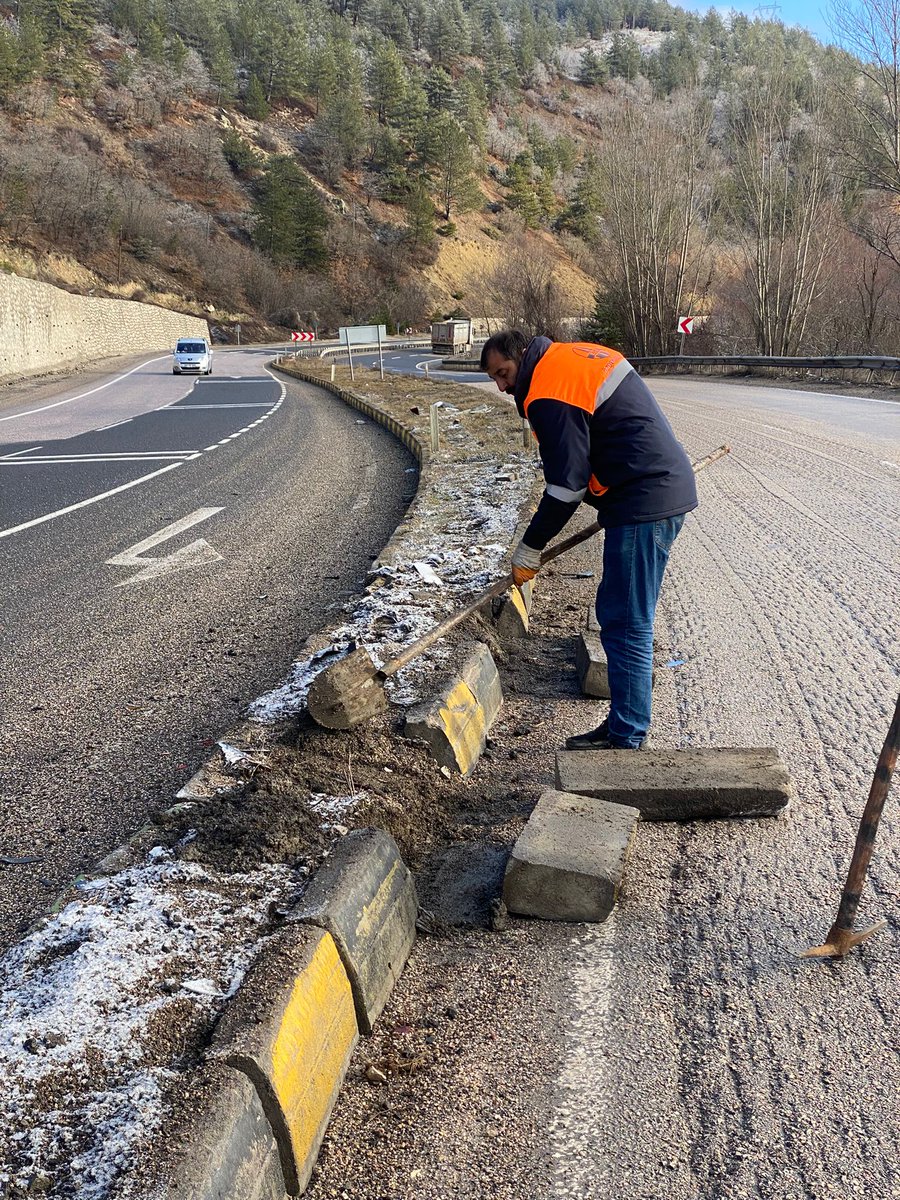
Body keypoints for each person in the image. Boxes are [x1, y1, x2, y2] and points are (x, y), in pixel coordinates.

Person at [480, 330, 698, 750]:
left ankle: (626, 735)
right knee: (619, 615)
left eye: (503, 373)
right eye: (495, 379)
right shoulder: (570, 358)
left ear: (521, 356)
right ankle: (623, 724)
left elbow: (566, 486)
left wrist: (531, 545)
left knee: (626, 622)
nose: (502, 386)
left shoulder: (547, 389)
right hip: (647, 490)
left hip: (644, 500)